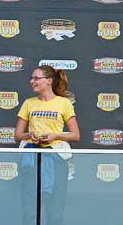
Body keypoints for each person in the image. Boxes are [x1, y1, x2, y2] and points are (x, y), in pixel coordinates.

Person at [14, 65, 80, 225]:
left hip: (56, 160)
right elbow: (17, 135)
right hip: (31, 161)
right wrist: (29, 135)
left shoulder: (64, 103)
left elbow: (75, 135)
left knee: (55, 210)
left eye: (36, 78)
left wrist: (55, 136)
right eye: (31, 78)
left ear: (49, 81)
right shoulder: (28, 103)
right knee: (30, 210)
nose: (32, 81)